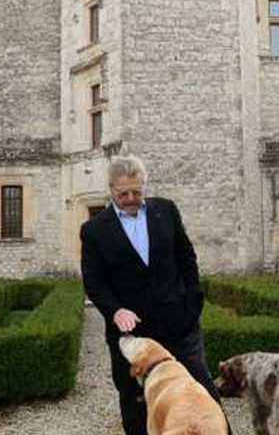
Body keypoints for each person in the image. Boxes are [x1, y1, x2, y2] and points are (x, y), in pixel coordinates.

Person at [81, 154, 226, 435]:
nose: (131, 198)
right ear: (111, 189)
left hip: (179, 324)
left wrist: (192, 303)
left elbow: (186, 257)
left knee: (203, 392)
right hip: (131, 334)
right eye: (123, 193)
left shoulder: (166, 211)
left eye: (137, 191)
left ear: (144, 185)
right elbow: (94, 282)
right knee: (135, 405)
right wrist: (115, 311)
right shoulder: (94, 230)